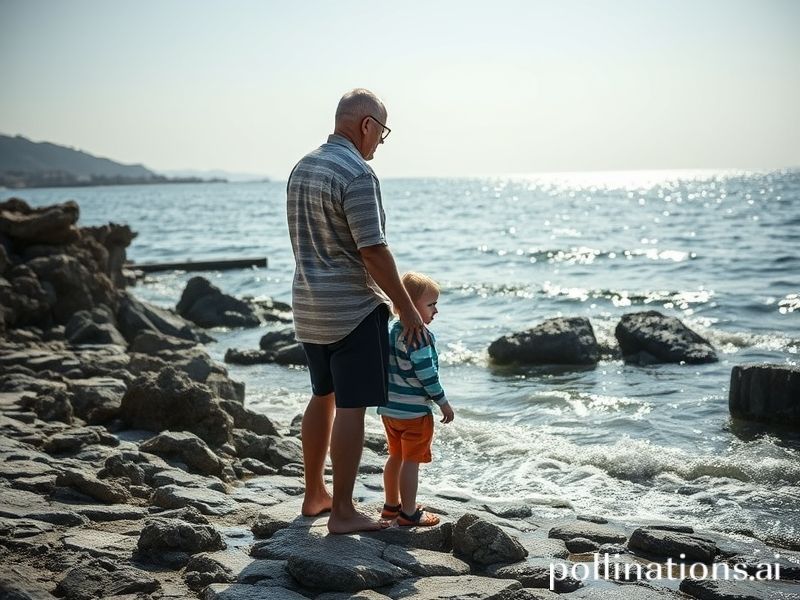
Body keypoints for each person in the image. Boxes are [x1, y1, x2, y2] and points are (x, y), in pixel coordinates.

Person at [287, 88, 427, 534]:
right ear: (367, 124)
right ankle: (343, 511)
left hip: (309, 304)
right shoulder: (357, 173)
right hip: (352, 309)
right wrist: (405, 308)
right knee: (352, 407)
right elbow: (373, 251)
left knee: (322, 395)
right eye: (381, 133)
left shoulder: (303, 166)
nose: (380, 143)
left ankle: (315, 494)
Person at [378, 272, 454, 527]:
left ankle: (391, 506)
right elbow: (427, 374)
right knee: (411, 461)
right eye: (431, 304)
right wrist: (442, 402)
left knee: (395, 457)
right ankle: (409, 513)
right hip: (414, 413)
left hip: (389, 409)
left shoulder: (392, 330)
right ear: (410, 305)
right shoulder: (418, 335)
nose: (436, 310)